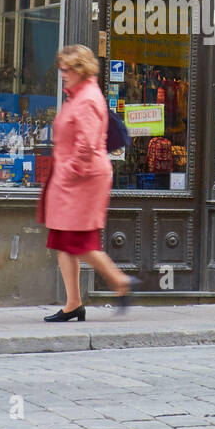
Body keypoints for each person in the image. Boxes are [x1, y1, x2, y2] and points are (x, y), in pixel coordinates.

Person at [38, 44, 136, 321]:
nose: (62, 74)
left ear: (81, 70)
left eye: (67, 69)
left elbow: (88, 146)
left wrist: (67, 173)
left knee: (79, 241)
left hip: (82, 180)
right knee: (62, 238)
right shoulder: (76, 96)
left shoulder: (89, 99)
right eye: (61, 69)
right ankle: (73, 303)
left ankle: (121, 282)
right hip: (70, 179)